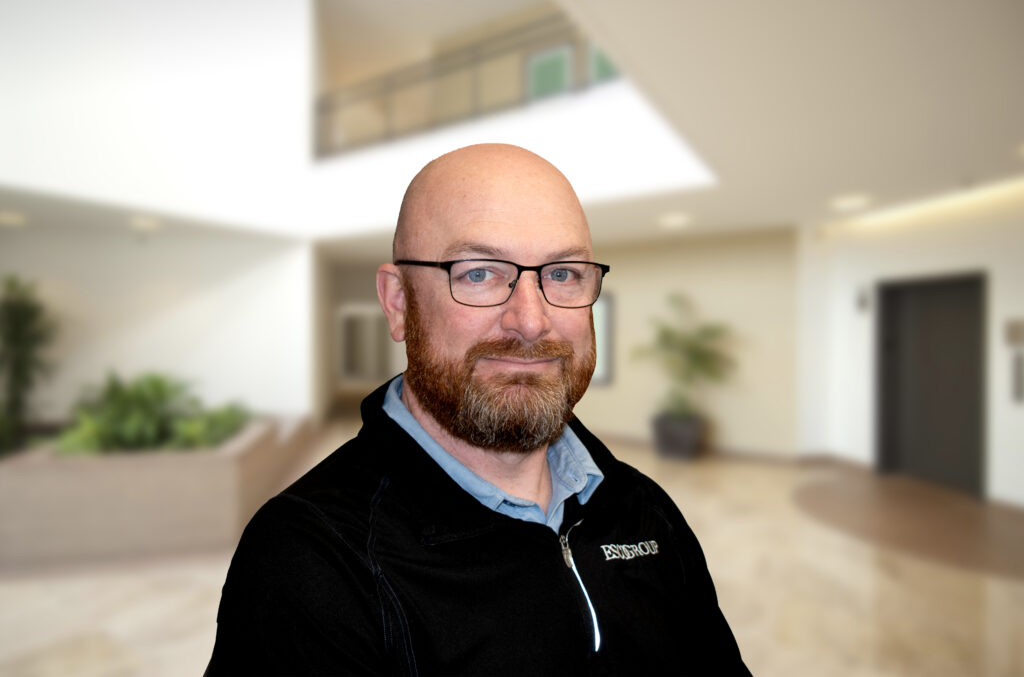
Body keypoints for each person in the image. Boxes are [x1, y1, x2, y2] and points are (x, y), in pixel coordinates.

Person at [206, 144, 749, 676]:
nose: (531, 321)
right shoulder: (310, 560)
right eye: (479, 273)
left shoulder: (643, 508)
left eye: (563, 274)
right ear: (398, 302)